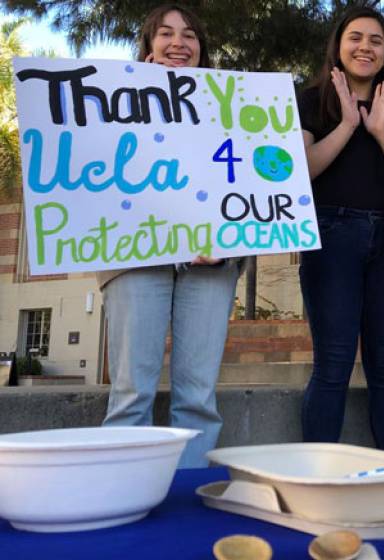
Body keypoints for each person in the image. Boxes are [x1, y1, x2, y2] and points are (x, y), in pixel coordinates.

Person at [99, 4, 241, 468]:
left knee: (198, 395)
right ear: (147, 46)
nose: (179, 43)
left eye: (190, 35)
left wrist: (225, 247)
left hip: (211, 267)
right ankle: (118, 491)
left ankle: (189, 496)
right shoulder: (109, 101)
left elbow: (247, 182)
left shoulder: (233, 105)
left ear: (202, 49)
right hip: (135, 260)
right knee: (129, 393)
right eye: (166, 34)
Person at [297, 7, 384, 452]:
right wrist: (347, 124)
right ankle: (316, 476)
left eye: (376, 40)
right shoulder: (309, 99)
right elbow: (300, 170)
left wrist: (381, 132)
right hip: (331, 234)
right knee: (333, 363)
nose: (366, 47)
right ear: (338, 45)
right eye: (356, 38)